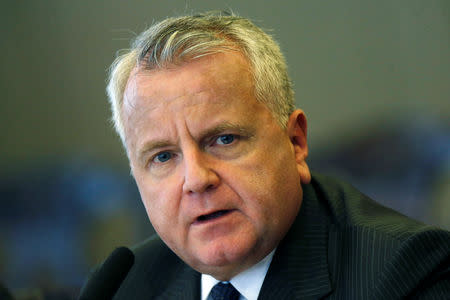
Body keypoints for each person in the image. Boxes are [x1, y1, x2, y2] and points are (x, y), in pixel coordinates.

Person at [82, 11, 449, 299]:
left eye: (224, 139)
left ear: (295, 142)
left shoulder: (406, 274)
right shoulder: (121, 287)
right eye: (163, 157)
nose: (196, 179)